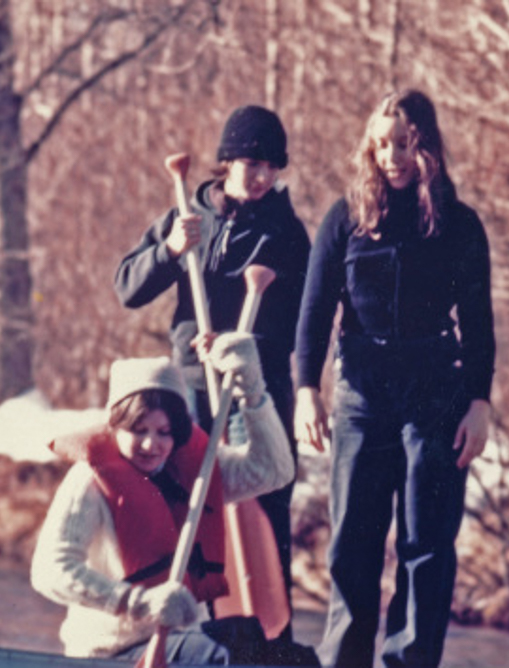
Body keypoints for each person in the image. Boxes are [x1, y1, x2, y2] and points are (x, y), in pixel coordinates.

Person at [294, 90, 495, 668]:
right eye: (382, 144)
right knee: (353, 541)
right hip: (361, 390)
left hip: (435, 391)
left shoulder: (459, 225)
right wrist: (307, 389)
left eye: (404, 144)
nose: (393, 156)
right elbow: (315, 311)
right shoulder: (346, 217)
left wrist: (479, 400)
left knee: (425, 544)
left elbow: (478, 322)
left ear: (426, 145)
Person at [114, 106, 311, 624]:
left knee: (263, 508)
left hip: (252, 392)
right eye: (253, 164)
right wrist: (171, 250)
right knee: (183, 507)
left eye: (273, 166)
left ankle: (268, 641)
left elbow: (295, 328)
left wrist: (234, 345)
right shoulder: (187, 215)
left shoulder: (288, 235)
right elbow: (128, 287)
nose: (264, 177)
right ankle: (184, 629)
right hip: (191, 389)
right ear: (226, 162)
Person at [31, 333, 296, 664]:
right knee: (226, 653)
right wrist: (136, 602)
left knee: (285, 654)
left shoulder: (193, 471)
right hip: (112, 654)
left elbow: (274, 471)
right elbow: (49, 572)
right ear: (114, 427)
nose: (151, 444)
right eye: (138, 430)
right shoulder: (89, 481)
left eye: (163, 432)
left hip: (180, 641)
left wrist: (253, 392)